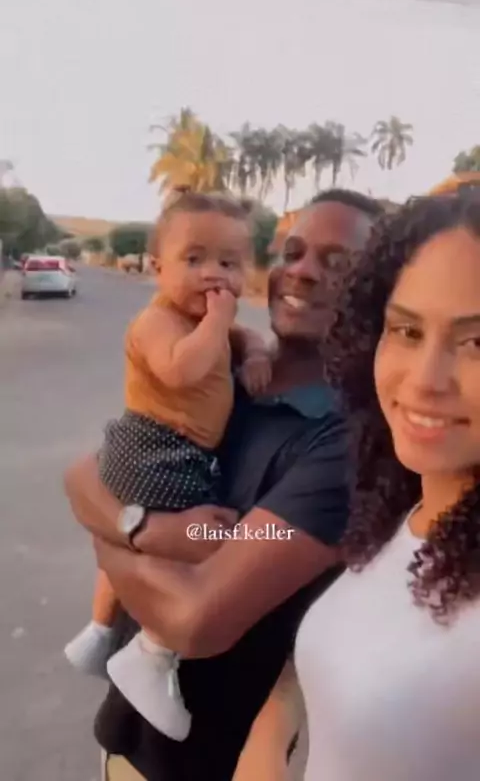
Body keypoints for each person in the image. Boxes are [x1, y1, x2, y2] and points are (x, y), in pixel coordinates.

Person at [65, 189, 384, 781]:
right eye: (292, 252)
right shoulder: (225, 373)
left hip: (206, 762)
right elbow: (81, 475)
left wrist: (120, 529)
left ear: (378, 293)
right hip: (125, 738)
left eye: (337, 263)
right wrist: (141, 528)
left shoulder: (344, 441)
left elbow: (195, 619)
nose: (302, 271)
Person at [64, 190, 272, 741]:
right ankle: (151, 655)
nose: (214, 274)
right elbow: (181, 370)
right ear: (157, 268)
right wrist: (220, 320)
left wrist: (252, 352)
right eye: (195, 259)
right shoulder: (157, 322)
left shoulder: (208, 320)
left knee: (152, 542)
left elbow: (245, 336)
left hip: (171, 450)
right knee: (206, 542)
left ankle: (98, 632)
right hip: (158, 448)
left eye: (229, 263)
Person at [292, 192, 480, 781]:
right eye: (406, 330)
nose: (424, 381)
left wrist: (127, 518)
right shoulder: (410, 508)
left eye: (477, 343)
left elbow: (197, 615)